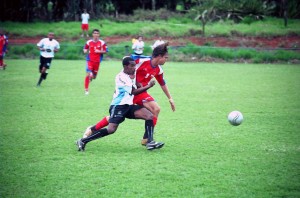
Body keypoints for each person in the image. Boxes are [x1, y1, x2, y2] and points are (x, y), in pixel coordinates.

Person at [83, 43, 175, 146]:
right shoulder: (141, 60)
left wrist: (170, 98)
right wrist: (122, 85)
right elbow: (126, 62)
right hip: (129, 92)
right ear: (159, 56)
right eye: (166, 58)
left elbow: (162, 83)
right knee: (116, 118)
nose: (166, 60)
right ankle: (92, 129)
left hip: (141, 93)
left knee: (156, 109)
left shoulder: (158, 70)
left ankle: (147, 139)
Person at [76, 56, 164, 151]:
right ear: (125, 66)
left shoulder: (131, 74)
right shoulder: (121, 77)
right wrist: (148, 86)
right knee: (111, 129)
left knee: (149, 116)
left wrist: (138, 83)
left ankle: (150, 142)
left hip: (129, 106)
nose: (135, 68)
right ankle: (83, 141)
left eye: (135, 66)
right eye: (132, 66)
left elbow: (135, 84)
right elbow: (133, 92)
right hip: (118, 106)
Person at [83, 29, 107, 95]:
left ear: (99, 35)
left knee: (94, 77)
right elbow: (85, 48)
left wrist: (99, 51)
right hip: (89, 60)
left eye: (97, 33)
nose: (96, 34)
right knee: (88, 74)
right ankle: (86, 90)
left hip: (97, 62)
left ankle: (92, 76)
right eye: (95, 33)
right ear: (92, 34)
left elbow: (106, 51)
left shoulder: (102, 42)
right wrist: (85, 51)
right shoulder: (88, 42)